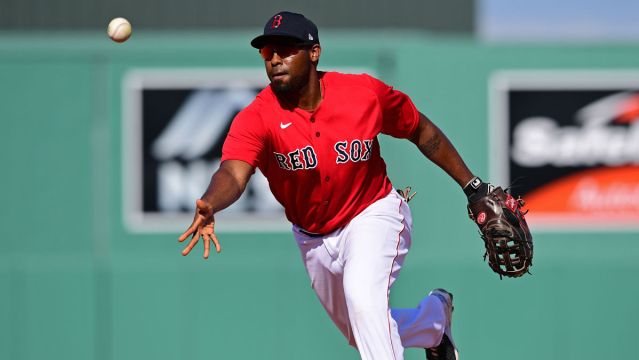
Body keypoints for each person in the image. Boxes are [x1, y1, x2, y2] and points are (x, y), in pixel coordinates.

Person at [179, 11, 486, 360]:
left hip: (372, 212)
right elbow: (233, 173)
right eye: (267, 53)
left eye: (287, 49)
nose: (276, 59)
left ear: (314, 52)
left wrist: (472, 186)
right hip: (312, 237)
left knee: (364, 301)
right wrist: (211, 201)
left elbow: (420, 130)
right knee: (362, 332)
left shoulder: (362, 94)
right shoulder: (257, 117)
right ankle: (432, 323)